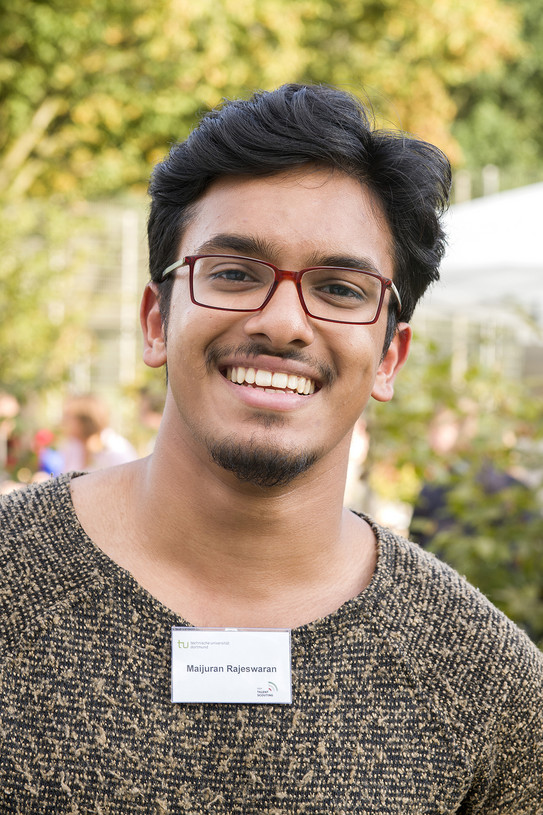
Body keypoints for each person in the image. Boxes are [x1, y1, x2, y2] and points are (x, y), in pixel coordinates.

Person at [0, 84, 541, 814]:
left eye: (340, 288)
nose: (283, 321)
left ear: (389, 356)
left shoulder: (488, 688)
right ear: (156, 320)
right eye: (233, 274)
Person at [60, 392, 138, 472]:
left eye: (68, 416)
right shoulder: (72, 447)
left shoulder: (116, 450)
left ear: (84, 421)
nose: (62, 421)